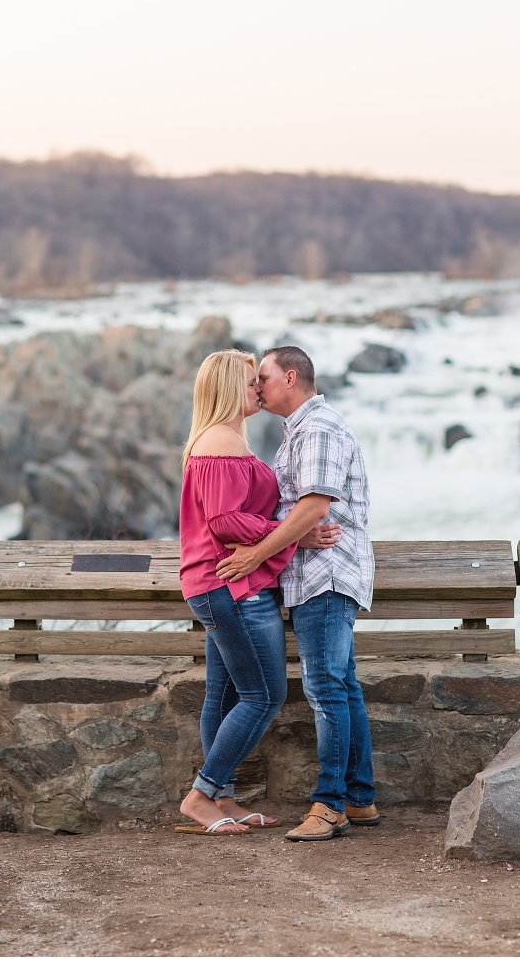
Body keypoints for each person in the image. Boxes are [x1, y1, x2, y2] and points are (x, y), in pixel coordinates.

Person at [216, 346, 378, 842]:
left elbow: (313, 507)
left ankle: (329, 805)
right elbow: (304, 513)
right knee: (342, 686)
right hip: (315, 576)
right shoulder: (301, 431)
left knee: (325, 689)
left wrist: (254, 554)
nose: (256, 386)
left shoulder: (318, 429)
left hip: (325, 577)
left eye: (262, 377)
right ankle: (359, 797)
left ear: (290, 378)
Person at [176, 349, 340, 836]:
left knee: (223, 694)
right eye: (251, 383)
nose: (258, 390)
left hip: (217, 583)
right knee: (263, 695)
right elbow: (224, 522)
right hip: (233, 585)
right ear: (230, 388)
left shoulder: (217, 439)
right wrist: (290, 531)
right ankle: (203, 794)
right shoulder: (222, 442)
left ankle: (220, 799)